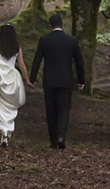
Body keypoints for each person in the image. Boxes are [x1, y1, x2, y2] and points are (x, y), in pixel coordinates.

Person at [29, 12, 85, 149]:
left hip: (49, 80)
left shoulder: (44, 40)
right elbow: (79, 62)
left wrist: (32, 78)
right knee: (64, 109)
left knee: (51, 110)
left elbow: (37, 60)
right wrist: (81, 81)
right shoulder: (71, 41)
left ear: (50, 26)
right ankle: (61, 136)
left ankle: (53, 140)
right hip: (66, 80)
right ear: (62, 25)